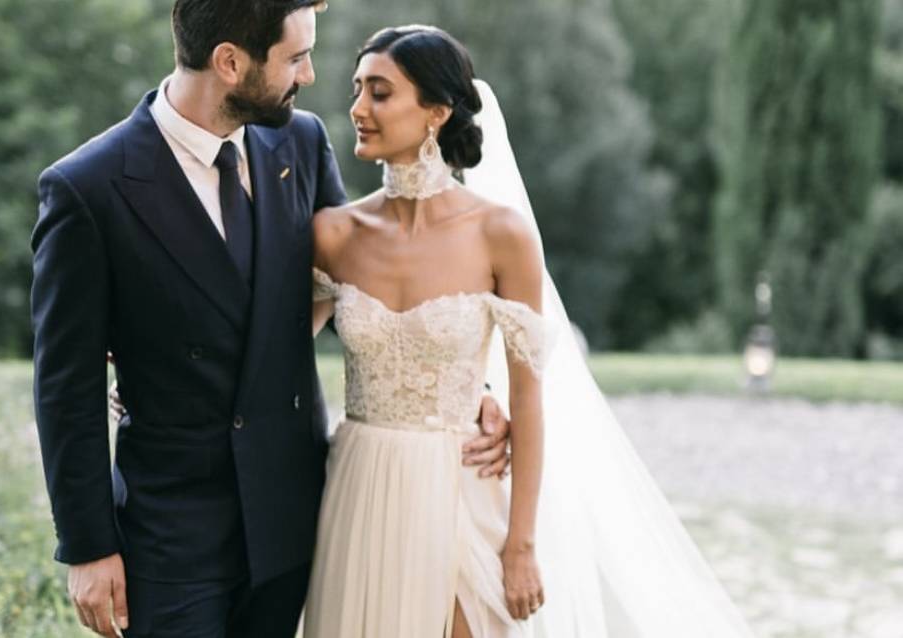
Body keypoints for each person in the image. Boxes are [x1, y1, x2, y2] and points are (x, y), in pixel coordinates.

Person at [30, 4, 509, 637]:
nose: (310, 75)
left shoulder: (301, 142)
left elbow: (365, 294)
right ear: (230, 62)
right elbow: (66, 386)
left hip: (292, 514)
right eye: (295, 58)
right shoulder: (87, 188)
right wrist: (89, 546)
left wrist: (468, 392)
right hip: (172, 533)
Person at [302, 26, 756, 638]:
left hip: (462, 490)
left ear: (436, 112)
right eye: (357, 89)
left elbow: (530, 398)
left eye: (379, 93)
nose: (357, 109)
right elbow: (268, 354)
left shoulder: (501, 234)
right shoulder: (334, 234)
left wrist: (520, 544)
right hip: (360, 487)